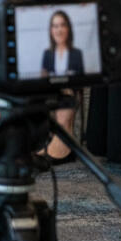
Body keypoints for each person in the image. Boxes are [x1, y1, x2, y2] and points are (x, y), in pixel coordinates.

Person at [39, 10, 84, 165]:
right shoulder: (47, 53)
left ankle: (64, 141)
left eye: (62, 26)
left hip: (70, 91)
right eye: (55, 26)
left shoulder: (76, 53)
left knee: (67, 87)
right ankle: (55, 134)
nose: (58, 29)